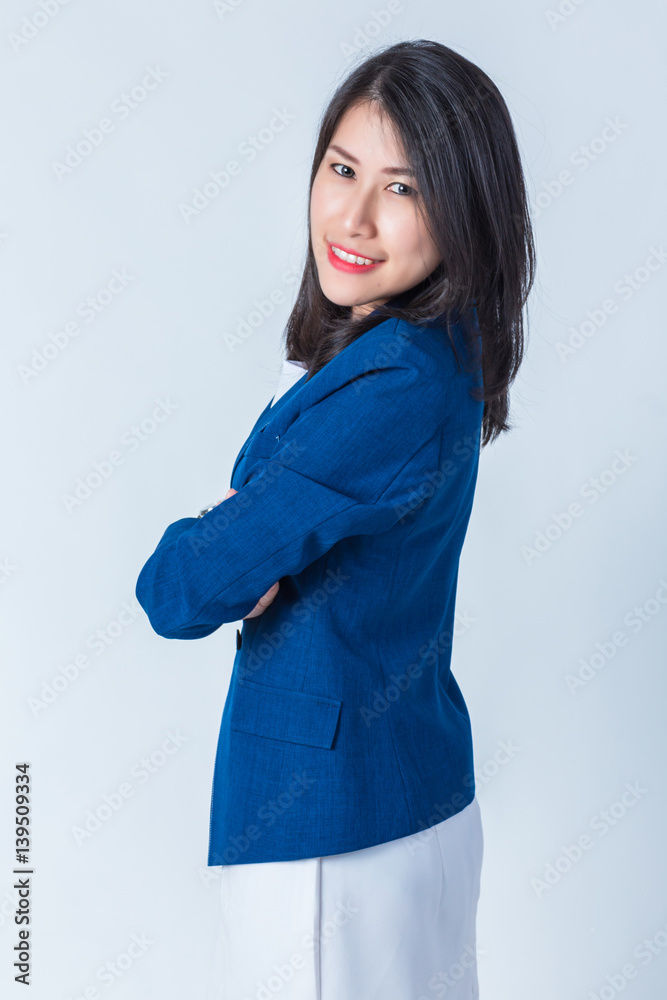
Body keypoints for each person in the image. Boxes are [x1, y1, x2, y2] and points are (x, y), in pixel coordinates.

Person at [135, 38, 535, 1000]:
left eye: (403, 188)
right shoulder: (431, 347)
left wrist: (223, 530)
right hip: (394, 798)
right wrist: (253, 519)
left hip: (328, 829)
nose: (352, 216)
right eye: (342, 169)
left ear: (465, 210)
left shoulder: (389, 383)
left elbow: (183, 588)